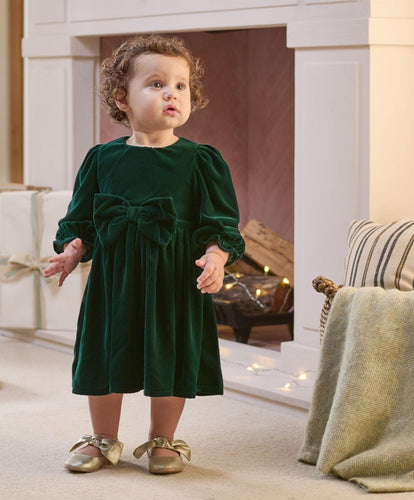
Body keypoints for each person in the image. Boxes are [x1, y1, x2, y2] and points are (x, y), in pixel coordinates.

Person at [44, 33, 245, 475]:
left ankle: (163, 439)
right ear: (123, 98)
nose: (172, 93)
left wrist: (216, 257)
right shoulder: (102, 159)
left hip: (174, 278)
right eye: (156, 84)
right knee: (105, 349)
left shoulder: (201, 161)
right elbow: (84, 219)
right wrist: (73, 250)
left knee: (169, 352)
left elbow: (219, 222)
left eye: (181, 85)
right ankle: (102, 437)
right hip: (114, 279)